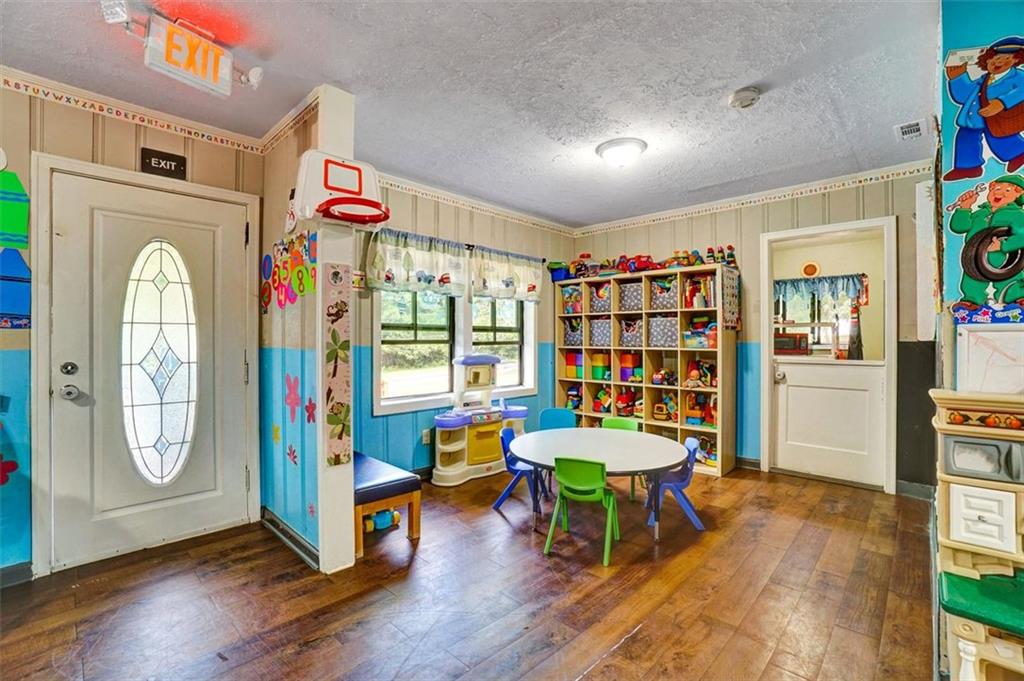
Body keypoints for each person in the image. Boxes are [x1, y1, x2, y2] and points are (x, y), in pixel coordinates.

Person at [944, 36, 1024, 181]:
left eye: (1007, 59)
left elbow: (1021, 91)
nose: (999, 62)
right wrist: (957, 78)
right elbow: (963, 96)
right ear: (986, 59)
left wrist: (1001, 103)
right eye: (995, 57)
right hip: (974, 118)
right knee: (966, 138)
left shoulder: (1018, 76)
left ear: (1016, 61)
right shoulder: (984, 79)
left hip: (999, 117)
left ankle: (1019, 155)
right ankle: (968, 168)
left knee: (1001, 137)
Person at [949, 174, 1024, 305]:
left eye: (1007, 190)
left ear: (1018, 195)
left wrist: (1003, 246)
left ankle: (1016, 299)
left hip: (1004, 258)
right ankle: (972, 301)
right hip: (975, 257)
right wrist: (965, 208)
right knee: (972, 281)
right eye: (997, 189)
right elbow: (959, 227)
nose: (1000, 193)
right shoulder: (979, 214)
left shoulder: (1017, 215)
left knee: (1011, 280)